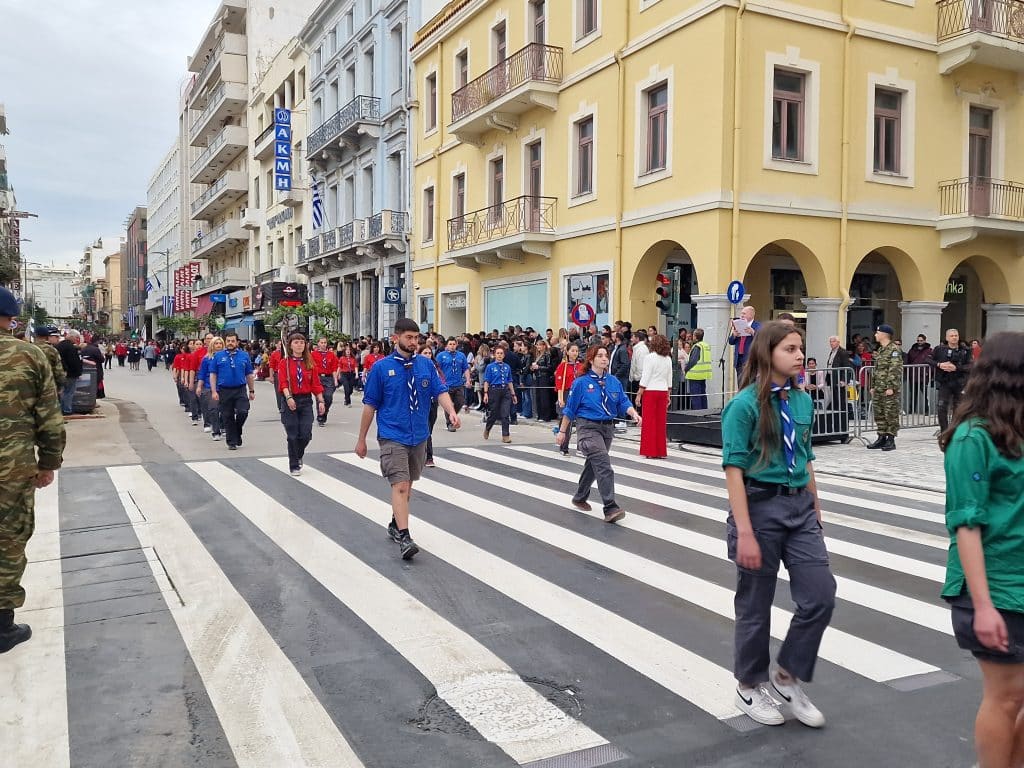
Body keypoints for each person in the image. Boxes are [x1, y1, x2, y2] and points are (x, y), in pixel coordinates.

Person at [721, 320, 835, 728]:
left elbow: (805, 459)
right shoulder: (745, 405)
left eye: (800, 347)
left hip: (799, 508)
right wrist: (746, 531)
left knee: (821, 595)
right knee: (754, 605)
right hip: (759, 506)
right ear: (768, 353)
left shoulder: (802, 402)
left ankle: (787, 675)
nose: (799, 354)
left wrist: (816, 510)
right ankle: (748, 686)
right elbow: (734, 469)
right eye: (790, 348)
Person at [938, 332, 1024, 768]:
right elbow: (965, 526)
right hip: (995, 586)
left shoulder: (1017, 430)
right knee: (1006, 696)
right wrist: (984, 605)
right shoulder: (972, 437)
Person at [355, 318, 461, 560]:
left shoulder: (426, 365)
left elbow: (440, 391)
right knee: (400, 485)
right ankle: (405, 537)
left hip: (419, 435)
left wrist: (451, 411)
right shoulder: (381, 369)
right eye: (409, 338)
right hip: (393, 434)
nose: (414, 342)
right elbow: (369, 406)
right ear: (396, 338)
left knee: (408, 485)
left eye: (417, 338)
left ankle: (395, 523)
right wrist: (361, 439)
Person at [0, 286, 65, 652]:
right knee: (8, 539)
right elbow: (50, 419)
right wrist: (49, 463)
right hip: (12, 468)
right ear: (10, 320)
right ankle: (2, 627)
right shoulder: (30, 355)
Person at [556, 345, 642, 523]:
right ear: (591, 359)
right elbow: (570, 409)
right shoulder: (581, 383)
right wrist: (563, 431)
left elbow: (622, 401)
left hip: (607, 429)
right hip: (588, 428)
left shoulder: (613, 381)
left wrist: (633, 413)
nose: (604, 359)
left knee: (593, 465)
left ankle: (580, 497)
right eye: (600, 356)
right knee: (603, 466)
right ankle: (610, 507)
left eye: (606, 355)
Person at [277, 333, 326, 475]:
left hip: (305, 401)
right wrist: (288, 397)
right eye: (296, 342)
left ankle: (298, 454)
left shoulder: (309, 363)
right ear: (290, 345)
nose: (299, 345)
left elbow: (316, 384)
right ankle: (294, 464)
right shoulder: (284, 363)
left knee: (305, 434)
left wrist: (321, 400)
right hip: (290, 399)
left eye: (302, 342)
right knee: (292, 434)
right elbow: (283, 383)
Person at [209, 331, 256, 451]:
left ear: (237, 342)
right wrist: (214, 391)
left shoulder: (244, 355)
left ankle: (237, 430)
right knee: (227, 416)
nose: (230, 343)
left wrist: (251, 390)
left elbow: (249, 374)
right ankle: (232, 441)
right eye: (228, 341)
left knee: (243, 412)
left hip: (240, 389)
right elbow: (213, 374)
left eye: (233, 341)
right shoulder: (218, 356)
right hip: (224, 390)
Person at [867, 323, 903, 451]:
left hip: (888, 388)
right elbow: (877, 370)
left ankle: (891, 439)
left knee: (890, 413)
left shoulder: (894, 350)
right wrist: (873, 386)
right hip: (879, 388)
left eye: (877, 333)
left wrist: (891, 387)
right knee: (879, 413)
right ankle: (881, 437)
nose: (875, 335)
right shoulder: (881, 350)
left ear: (883, 334)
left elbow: (894, 369)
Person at [930, 328, 972, 433]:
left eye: (956, 335)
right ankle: (944, 430)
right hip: (945, 382)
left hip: (959, 382)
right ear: (947, 338)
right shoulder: (939, 349)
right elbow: (928, 359)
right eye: (952, 336)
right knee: (941, 406)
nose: (954, 338)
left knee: (958, 408)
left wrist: (956, 368)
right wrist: (940, 364)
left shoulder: (965, 350)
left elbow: (971, 366)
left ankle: (954, 430)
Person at [638, 333, 672, 459]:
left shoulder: (650, 357)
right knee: (660, 422)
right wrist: (668, 394)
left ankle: (650, 450)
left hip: (651, 391)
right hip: (663, 390)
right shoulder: (668, 358)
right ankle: (661, 451)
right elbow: (670, 378)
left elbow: (646, 376)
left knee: (649, 422)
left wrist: (639, 393)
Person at [482, 345, 517, 443]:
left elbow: (509, 381)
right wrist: (485, 393)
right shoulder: (490, 367)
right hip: (494, 391)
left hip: (505, 391)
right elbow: (486, 381)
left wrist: (513, 394)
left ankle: (505, 435)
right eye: (498, 353)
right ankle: (488, 428)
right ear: (494, 355)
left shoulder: (507, 367)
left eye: (501, 353)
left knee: (505, 414)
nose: (499, 355)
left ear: (504, 355)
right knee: (494, 413)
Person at [554, 344, 584, 455]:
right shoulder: (563, 366)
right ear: (567, 352)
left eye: (576, 351)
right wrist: (560, 399)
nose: (575, 353)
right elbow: (559, 384)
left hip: (580, 395)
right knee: (567, 422)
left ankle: (581, 447)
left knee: (582, 421)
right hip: (567, 394)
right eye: (572, 351)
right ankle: (564, 446)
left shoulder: (581, 366)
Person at [436, 337, 470, 431]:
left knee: (460, 401)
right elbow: (437, 369)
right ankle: (450, 423)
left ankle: (452, 413)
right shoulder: (441, 355)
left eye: (454, 344)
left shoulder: (461, 355)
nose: (452, 346)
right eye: (450, 344)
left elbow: (466, 368)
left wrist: (468, 380)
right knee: (449, 403)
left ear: (456, 345)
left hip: (458, 383)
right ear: (447, 345)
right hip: (446, 384)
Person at [195, 336, 225, 441]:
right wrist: (199, 386)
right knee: (214, 409)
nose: (218, 345)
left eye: (220, 343)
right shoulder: (206, 359)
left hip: (225, 387)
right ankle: (216, 431)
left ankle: (223, 426)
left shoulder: (226, 357)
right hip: (210, 387)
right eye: (216, 343)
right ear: (212, 345)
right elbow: (202, 374)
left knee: (225, 409)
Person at [418, 344, 442, 468]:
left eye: (429, 353)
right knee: (426, 429)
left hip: (433, 402)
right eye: (425, 353)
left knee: (429, 429)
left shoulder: (434, 367)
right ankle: (429, 457)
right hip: (421, 403)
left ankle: (422, 450)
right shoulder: (415, 367)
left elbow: (439, 384)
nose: (428, 355)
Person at [311, 336, 339, 427]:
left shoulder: (331, 355)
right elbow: (311, 368)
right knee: (319, 398)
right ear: (318, 344)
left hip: (328, 378)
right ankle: (320, 417)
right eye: (321, 342)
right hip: (318, 378)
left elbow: (334, 368)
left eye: (325, 343)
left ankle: (325, 411)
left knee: (328, 397)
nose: (323, 344)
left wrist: (335, 380)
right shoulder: (313, 354)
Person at [728, 305, 761, 378]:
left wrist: (753, 332)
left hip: (750, 359)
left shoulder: (758, 326)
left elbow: (762, 341)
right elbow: (731, 342)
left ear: (751, 314)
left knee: (749, 382)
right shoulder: (738, 324)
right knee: (740, 383)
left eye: (744, 313)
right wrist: (734, 335)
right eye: (741, 313)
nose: (742, 315)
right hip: (739, 359)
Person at [33, 326, 66, 401]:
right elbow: (58, 370)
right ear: (47, 336)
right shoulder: (52, 350)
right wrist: (60, 385)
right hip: (49, 384)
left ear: (35, 335)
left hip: (32, 384)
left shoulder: (29, 348)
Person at [684, 328, 712, 410]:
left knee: (696, 398)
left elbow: (693, 361)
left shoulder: (697, 347)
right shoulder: (706, 346)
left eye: (693, 335)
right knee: (703, 395)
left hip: (695, 375)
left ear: (695, 336)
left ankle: (698, 416)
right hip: (703, 375)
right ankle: (704, 413)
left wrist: (686, 369)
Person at [905, 334, 933, 414]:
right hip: (913, 376)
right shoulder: (912, 350)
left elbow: (931, 362)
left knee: (925, 395)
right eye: (918, 340)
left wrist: (929, 374)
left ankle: (927, 410)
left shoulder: (930, 351)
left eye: (921, 340)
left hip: (924, 376)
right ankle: (911, 411)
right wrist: (908, 373)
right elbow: (908, 361)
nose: (919, 342)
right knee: (913, 395)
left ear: (925, 340)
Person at [628, 330, 649, 407]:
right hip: (637, 379)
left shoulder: (641, 350)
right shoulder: (638, 349)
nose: (631, 339)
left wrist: (636, 377)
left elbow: (641, 366)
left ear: (637, 338)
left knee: (638, 402)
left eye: (632, 337)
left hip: (638, 380)